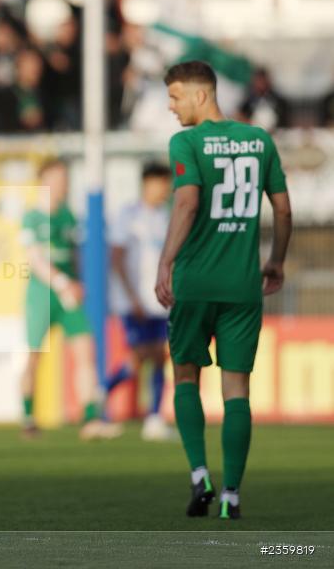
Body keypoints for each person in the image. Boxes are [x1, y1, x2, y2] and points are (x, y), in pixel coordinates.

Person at [157, 61, 291, 520]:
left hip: (194, 282)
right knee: (237, 390)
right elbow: (284, 209)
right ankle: (232, 493)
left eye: (175, 97)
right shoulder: (259, 141)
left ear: (201, 95)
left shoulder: (187, 142)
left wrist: (166, 260)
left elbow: (188, 200)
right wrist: (275, 260)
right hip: (242, 285)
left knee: (186, 377)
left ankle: (200, 476)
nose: (171, 107)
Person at [19, 159, 122, 441]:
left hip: (69, 295)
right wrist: (63, 283)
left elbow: (74, 254)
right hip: (42, 294)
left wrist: (77, 283)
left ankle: (90, 418)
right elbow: (36, 260)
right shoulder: (32, 217)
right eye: (57, 178)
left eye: (65, 178)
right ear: (44, 181)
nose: (63, 184)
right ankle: (28, 417)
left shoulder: (68, 216)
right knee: (34, 356)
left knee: (85, 351)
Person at [107, 162, 175, 441]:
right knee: (138, 359)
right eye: (162, 184)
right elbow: (118, 258)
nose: (165, 190)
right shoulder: (128, 214)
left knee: (160, 357)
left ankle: (155, 418)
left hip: (159, 301)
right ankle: (103, 395)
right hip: (134, 301)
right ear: (148, 183)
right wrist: (132, 296)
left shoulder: (166, 215)